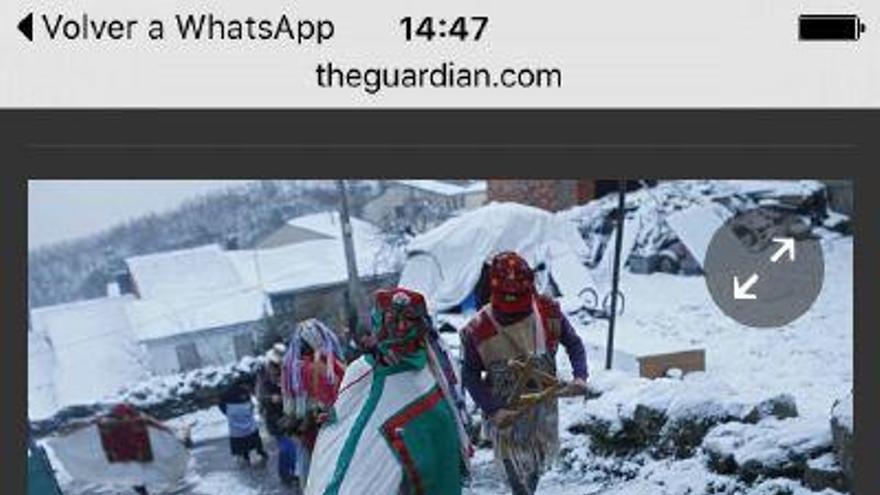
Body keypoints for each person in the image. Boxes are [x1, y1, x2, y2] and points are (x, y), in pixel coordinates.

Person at [305, 288, 470, 495]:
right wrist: (336, 417)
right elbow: (348, 409)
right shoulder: (365, 370)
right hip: (394, 465)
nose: (402, 327)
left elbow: (454, 402)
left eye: (409, 320)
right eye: (393, 322)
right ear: (380, 324)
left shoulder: (436, 361)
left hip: (438, 458)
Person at [461, 252, 588, 495]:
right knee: (517, 477)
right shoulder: (478, 329)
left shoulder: (548, 311)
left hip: (543, 414)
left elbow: (573, 343)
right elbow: (470, 374)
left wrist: (580, 376)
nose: (514, 313)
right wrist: (493, 410)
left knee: (533, 471)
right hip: (505, 412)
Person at [278, 319, 347, 491]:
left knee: (312, 476)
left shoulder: (293, 369)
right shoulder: (330, 365)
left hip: (309, 434)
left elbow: (292, 410)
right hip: (332, 431)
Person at [257, 343, 300, 486]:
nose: (276, 368)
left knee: (291, 448)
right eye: (274, 365)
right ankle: (285, 474)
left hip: (287, 415)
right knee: (287, 447)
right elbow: (261, 397)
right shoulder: (264, 377)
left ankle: (290, 473)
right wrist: (271, 398)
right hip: (274, 418)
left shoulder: (286, 372)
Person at [218, 378, 268, 466]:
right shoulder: (238, 391)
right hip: (240, 416)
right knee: (252, 435)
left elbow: (221, 403)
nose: (248, 387)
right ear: (243, 384)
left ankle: (247, 455)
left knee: (242, 437)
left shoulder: (231, 390)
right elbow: (249, 403)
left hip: (238, 418)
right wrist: (230, 412)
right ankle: (258, 452)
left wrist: (227, 412)